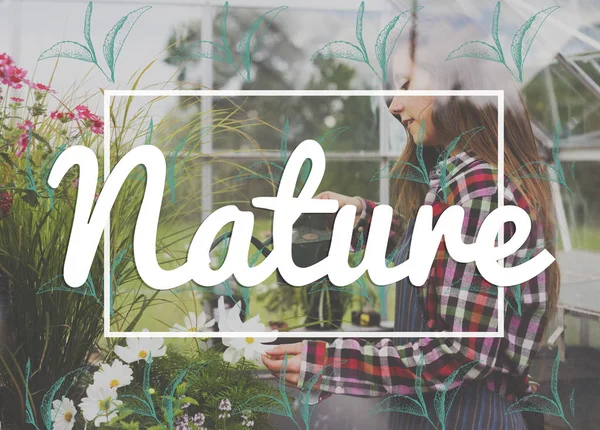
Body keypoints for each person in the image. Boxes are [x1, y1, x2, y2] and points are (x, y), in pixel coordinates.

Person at [261, 25, 560, 430]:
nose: (393, 103)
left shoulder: (482, 189)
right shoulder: (460, 180)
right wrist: (361, 215)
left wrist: (330, 363)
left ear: (457, 84)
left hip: (464, 417)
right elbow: (441, 260)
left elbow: (461, 353)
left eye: (406, 84)